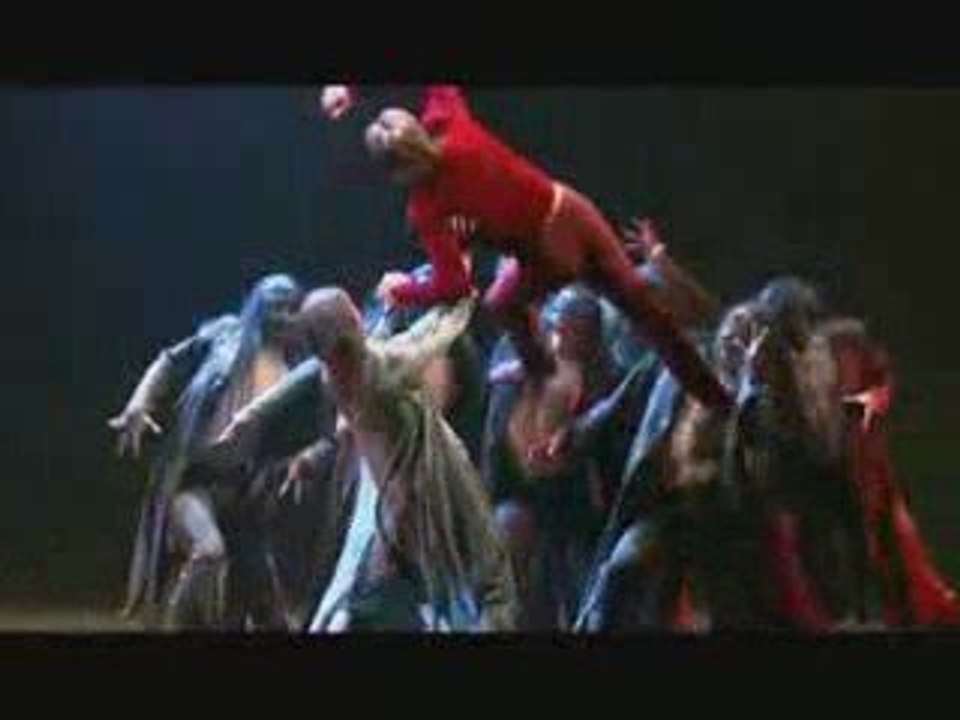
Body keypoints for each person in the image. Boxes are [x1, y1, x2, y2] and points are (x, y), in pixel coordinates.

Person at [318, 85, 732, 414]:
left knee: (501, 303)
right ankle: (722, 403)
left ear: (395, 174)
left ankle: (541, 372)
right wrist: (352, 89)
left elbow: (454, 285)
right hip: (572, 213)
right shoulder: (450, 119)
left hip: (544, 258)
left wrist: (402, 289)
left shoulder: (425, 206)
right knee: (651, 319)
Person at [217, 288, 516, 631]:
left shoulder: (387, 371)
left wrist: (459, 303)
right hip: (385, 507)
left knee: (477, 573)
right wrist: (250, 418)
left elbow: (429, 339)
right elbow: (306, 382)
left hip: (429, 475)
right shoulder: (337, 375)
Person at [110, 274, 335, 629]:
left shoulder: (302, 370)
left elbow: (331, 433)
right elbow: (170, 359)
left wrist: (308, 458)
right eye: (273, 306)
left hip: (245, 495)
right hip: (192, 480)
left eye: (291, 308)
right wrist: (139, 403)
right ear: (256, 306)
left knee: (267, 608)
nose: (281, 316)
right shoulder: (225, 336)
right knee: (208, 552)